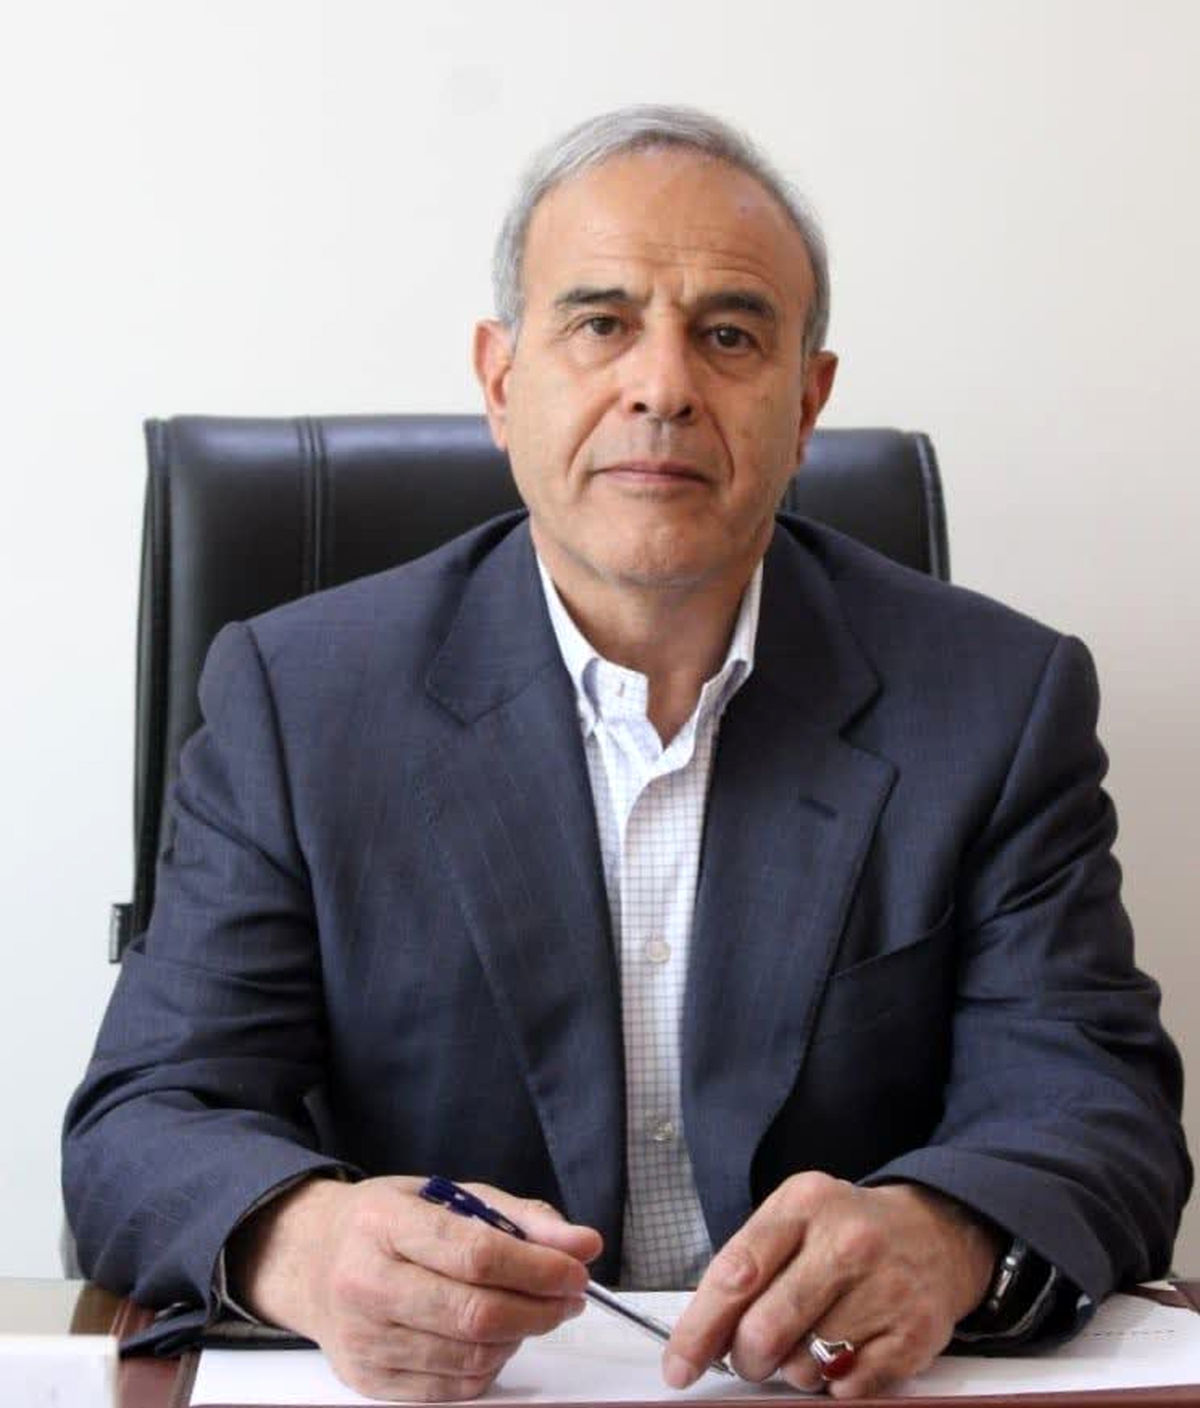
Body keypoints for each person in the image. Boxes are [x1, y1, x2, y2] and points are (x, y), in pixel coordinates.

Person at [63, 105, 1190, 1402]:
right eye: (601, 323)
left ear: (808, 402)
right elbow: (145, 1121)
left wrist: (946, 1233)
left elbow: (1095, 1108)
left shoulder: (995, 700)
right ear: (501, 381)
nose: (663, 387)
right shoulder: (298, 700)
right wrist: (306, 1245)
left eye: (730, 335)